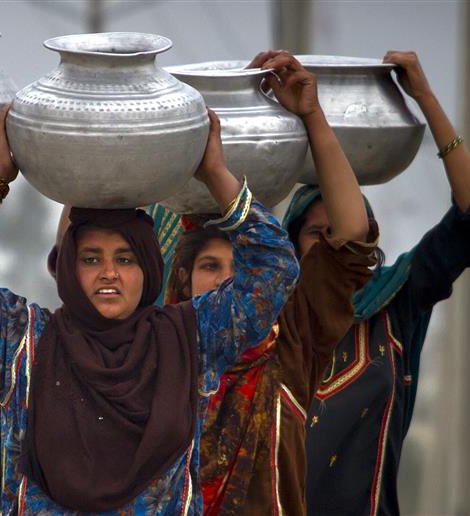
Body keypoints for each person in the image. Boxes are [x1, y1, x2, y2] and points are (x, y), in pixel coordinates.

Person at [0, 98, 300, 513]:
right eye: (91, 258)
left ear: (150, 266)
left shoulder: (192, 337)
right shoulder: (23, 343)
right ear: (68, 267)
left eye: (125, 259)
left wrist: (215, 174)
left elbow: (275, 268)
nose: (109, 273)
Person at [165, 51, 378, 515]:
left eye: (239, 270)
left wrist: (311, 116)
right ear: (181, 282)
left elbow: (350, 237)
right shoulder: (154, 351)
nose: (225, 282)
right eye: (209, 268)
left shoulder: (292, 341)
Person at [291, 51, 470, 515]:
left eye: (345, 231)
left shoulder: (394, 303)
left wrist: (423, 96)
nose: (334, 244)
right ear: (289, 244)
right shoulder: (268, 321)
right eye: (316, 234)